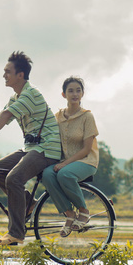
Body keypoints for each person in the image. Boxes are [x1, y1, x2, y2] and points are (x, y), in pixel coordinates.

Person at [0, 51, 61, 245]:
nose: (4, 75)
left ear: (20, 75)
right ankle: (28, 202)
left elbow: (4, 118)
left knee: (14, 178)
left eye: (7, 72)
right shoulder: (17, 96)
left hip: (47, 148)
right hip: (31, 147)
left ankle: (16, 234)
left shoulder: (30, 94)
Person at [42, 76, 99, 237]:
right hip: (64, 162)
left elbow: (87, 149)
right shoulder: (57, 116)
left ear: (82, 94)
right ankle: (69, 214)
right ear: (63, 94)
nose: (75, 94)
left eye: (78, 90)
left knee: (64, 174)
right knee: (46, 174)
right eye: (71, 91)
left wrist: (65, 163)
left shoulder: (87, 116)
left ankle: (83, 210)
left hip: (86, 161)